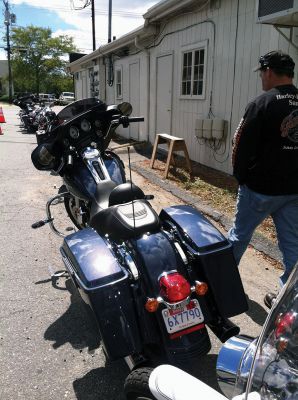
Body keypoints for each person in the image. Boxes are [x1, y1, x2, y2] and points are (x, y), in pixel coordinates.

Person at [228, 50, 298, 308]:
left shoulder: (262, 103)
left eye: (261, 73)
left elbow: (240, 145)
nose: (261, 78)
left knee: (239, 237)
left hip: (259, 189)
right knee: (293, 248)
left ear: (268, 71)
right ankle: (289, 300)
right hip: (293, 191)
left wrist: (240, 178)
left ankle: (222, 286)